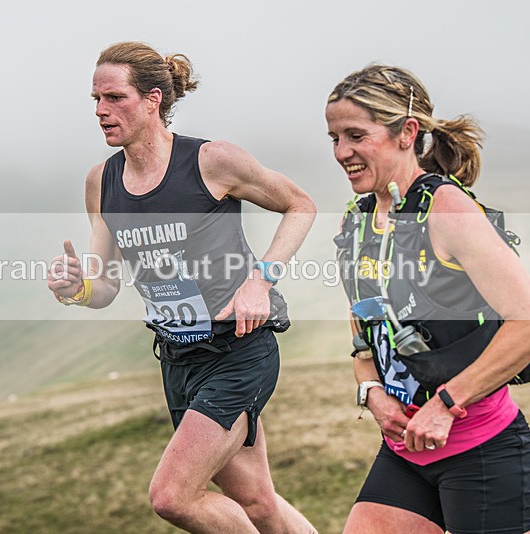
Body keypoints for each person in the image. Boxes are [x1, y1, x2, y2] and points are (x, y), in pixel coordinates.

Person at [47, 41, 317, 533]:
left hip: (237, 350)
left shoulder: (211, 161)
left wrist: (260, 281)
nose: (101, 111)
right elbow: (104, 286)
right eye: (96, 99)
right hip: (177, 360)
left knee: (172, 496)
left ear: (153, 99)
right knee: (257, 503)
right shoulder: (101, 182)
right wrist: (76, 289)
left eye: (115, 98)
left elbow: (300, 205)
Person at [327, 64, 530, 534]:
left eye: (356, 135)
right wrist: (371, 392)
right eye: (334, 138)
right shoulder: (357, 219)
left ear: (407, 132)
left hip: (482, 453)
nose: (342, 152)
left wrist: (444, 404)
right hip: (406, 454)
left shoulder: (446, 208)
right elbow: (363, 334)